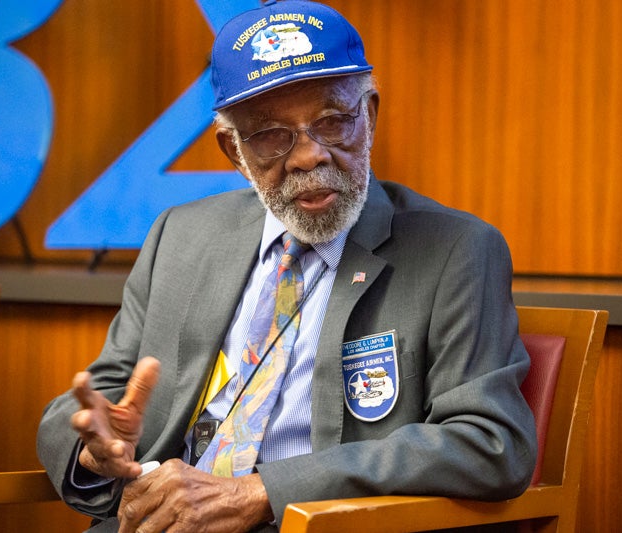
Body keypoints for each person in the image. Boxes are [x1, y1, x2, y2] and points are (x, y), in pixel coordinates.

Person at [37, 1, 537, 531]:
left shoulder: (454, 250)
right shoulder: (180, 236)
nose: (308, 156)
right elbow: (104, 389)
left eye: (332, 121)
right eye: (271, 135)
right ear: (233, 150)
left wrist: (266, 492)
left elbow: (488, 441)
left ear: (368, 116)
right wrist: (97, 451)